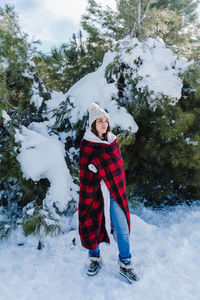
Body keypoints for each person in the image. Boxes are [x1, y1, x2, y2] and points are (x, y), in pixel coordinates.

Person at [78, 102, 138, 283]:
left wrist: (98, 164)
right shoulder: (86, 144)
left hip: (115, 192)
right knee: (92, 223)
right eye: (99, 121)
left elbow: (117, 168)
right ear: (92, 125)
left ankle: (125, 263)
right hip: (94, 191)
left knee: (122, 228)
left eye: (105, 121)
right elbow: (85, 172)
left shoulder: (113, 142)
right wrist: (95, 167)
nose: (104, 124)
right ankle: (94, 258)